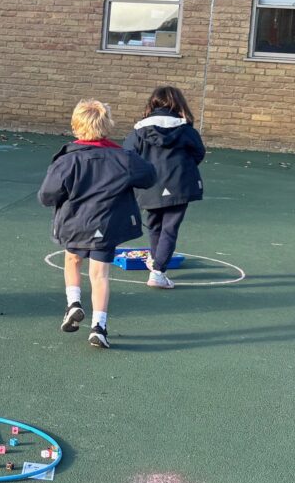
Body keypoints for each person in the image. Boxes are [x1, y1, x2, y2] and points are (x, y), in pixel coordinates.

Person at [38, 99, 155, 349]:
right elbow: (149, 176)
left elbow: (47, 196)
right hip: (107, 223)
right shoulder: (123, 157)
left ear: (75, 126)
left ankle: (73, 303)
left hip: (75, 222)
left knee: (72, 260)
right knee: (100, 275)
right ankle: (99, 327)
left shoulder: (67, 159)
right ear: (107, 126)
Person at [123, 86, 205, 289]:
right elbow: (199, 153)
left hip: (149, 185)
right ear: (178, 104)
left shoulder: (140, 130)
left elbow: (127, 156)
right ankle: (158, 271)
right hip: (179, 185)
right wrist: (184, 168)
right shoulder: (185, 129)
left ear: (153, 104)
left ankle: (156, 263)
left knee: (155, 226)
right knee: (169, 229)